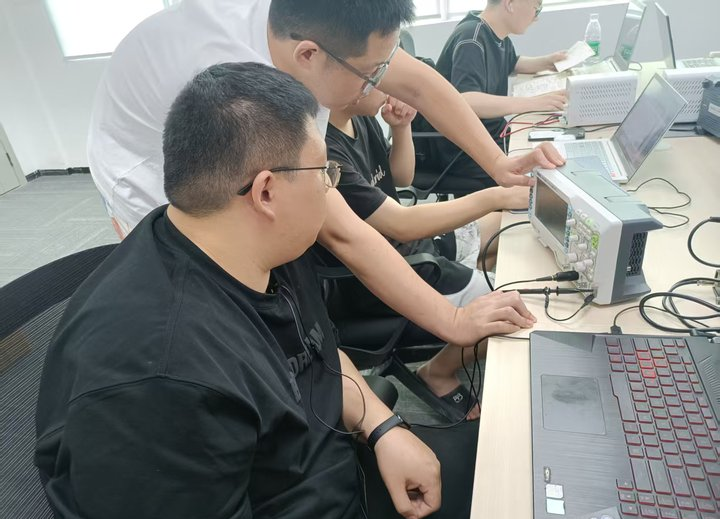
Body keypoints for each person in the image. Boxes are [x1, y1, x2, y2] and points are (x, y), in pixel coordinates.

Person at [38, 62, 536, 519]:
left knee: (525, 461)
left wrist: (381, 424)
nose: (331, 187)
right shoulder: (159, 384)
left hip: (348, 469)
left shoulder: (260, 247)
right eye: (324, 172)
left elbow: (316, 353)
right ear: (266, 193)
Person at [86, 0, 561, 350]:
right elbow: (344, 233)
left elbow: (419, 82)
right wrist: (451, 321)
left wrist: (497, 164)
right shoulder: (243, 88)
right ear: (309, 56)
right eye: (371, 74)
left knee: (286, 239)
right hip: (141, 161)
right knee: (211, 288)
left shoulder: (311, 25)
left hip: (204, 100)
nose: (378, 84)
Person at [320, 89, 530, 417]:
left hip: (416, 245)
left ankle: (473, 282)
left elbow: (401, 178)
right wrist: (495, 196)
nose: (386, 85)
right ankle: (438, 371)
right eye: (376, 73)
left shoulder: (359, 118)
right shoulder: (326, 152)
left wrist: (401, 128)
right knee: (518, 306)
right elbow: (400, 225)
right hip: (394, 268)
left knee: (510, 230)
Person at [431, 0, 569, 187]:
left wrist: (547, 62)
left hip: (489, 135)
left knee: (548, 150)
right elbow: (468, 100)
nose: (536, 18)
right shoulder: (471, 39)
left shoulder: (493, 33)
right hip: (464, 149)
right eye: (536, 9)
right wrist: (533, 102)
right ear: (510, 4)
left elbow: (512, 63)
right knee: (546, 175)